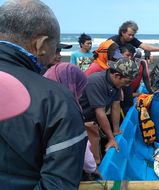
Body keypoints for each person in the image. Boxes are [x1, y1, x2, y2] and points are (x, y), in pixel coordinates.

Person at [0, 0, 87, 189]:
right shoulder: (56, 99)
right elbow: (59, 183)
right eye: (55, 48)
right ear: (41, 44)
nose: (56, 55)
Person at [43, 62, 100, 179]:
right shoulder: (68, 110)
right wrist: (92, 168)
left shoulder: (39, 100)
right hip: (61, 173)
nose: (80, 93)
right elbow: (79, 145)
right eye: (79, 87)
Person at [79, 58, 139, 162]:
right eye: (127, 81)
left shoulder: (115, 83)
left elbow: (116, 105)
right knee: (92, 156)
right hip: (82, 120)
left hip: (95, 119)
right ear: (116, 75)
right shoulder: (96, 82)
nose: (128, 85)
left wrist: (115, 131)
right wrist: (111, 138)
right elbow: (100, 112)